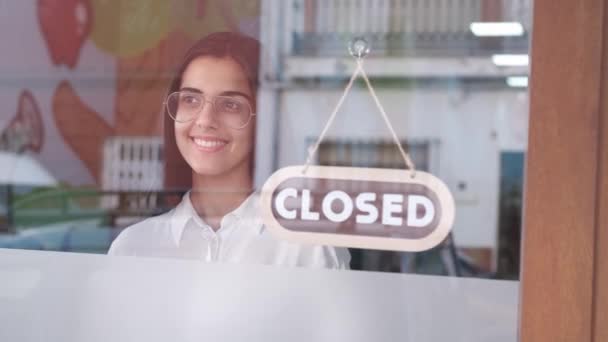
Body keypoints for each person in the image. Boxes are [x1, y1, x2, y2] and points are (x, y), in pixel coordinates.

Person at [108, 32, 350, 269]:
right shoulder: (133, 248)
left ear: (265, 119)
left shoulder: (309, 247)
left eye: (231, 105)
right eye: (191, 100)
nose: (205, 120)